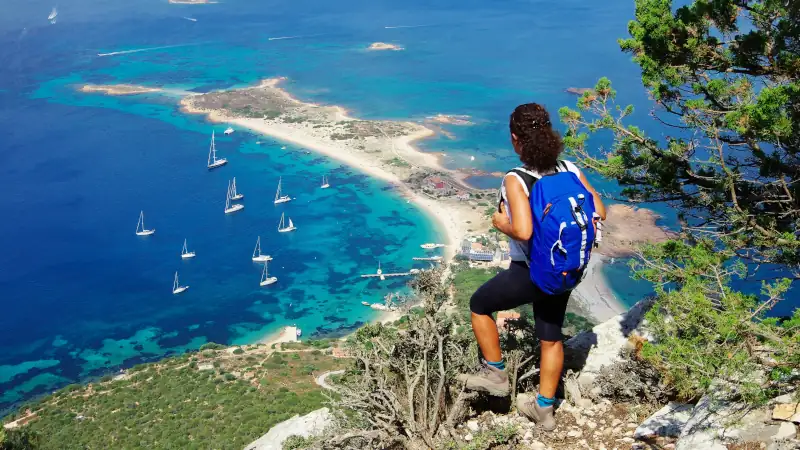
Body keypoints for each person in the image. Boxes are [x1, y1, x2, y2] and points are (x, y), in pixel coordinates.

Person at [457, 103, 607, 431]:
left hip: (530, 270)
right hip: (566, 271)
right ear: (550, 133)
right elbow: (600, 211)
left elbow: (523, 231)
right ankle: (544, 410)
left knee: (480, 305)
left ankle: (495, 373)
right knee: (550, 337)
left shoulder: (518, 179)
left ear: (515, 139)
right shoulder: (569, 169)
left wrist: (500, 222)